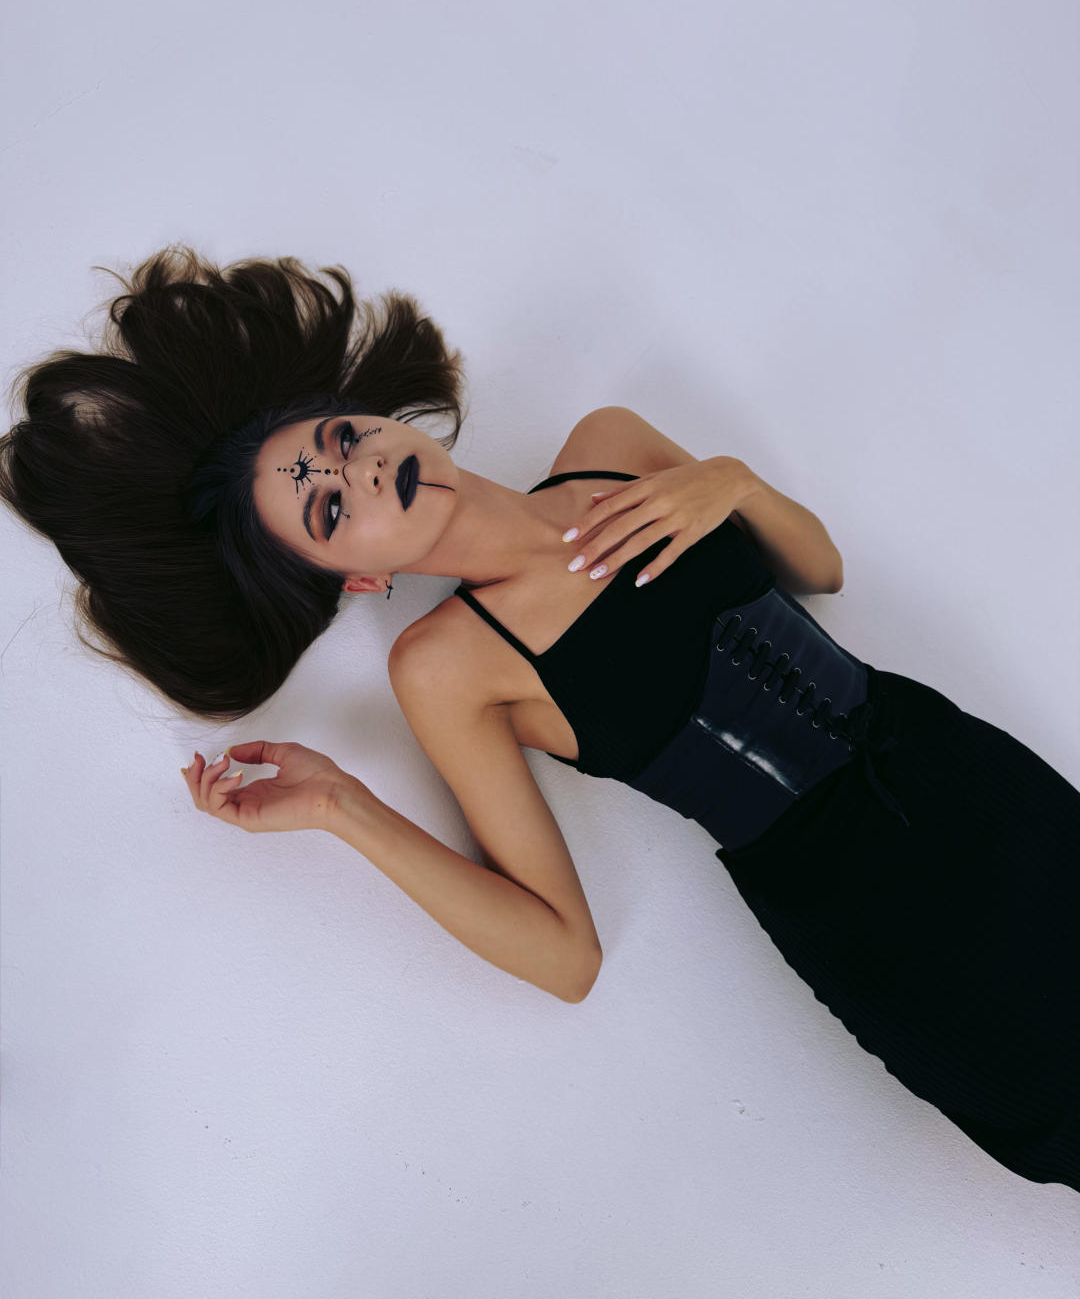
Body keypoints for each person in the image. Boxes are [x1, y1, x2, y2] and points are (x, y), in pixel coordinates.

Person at [3, 244, 1078, 1195]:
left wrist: (729, 482)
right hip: (863, 904)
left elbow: (824, 571)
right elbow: (567, 958)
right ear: (357, 580)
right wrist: (342, 808)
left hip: (965, 771)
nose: (362, 469)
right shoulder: (449, 667)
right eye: (331, 508)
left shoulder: (612, 444)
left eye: (342, 438)